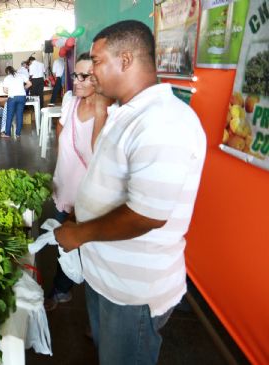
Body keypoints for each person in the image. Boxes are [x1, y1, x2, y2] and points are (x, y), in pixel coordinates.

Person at [53, 20, 206, 364]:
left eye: (96, 61)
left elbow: (146, 215)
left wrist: (78, 233)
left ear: (125, 60)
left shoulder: (164, 122)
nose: (90, 72)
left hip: (132, 293)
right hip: (105, 276)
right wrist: (79, 213)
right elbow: (103, 179)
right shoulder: (124, 112)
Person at [46, 53, 113, 311]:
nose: (77, 80)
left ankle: (96, 313)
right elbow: (61, 131)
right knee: (64, 244)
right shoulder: (70, 102)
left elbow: (101, 158)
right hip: (64, 187)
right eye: (76, 74)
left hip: (89, 197)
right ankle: (62, 290)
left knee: (92, 251)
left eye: (85, 76)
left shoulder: (108, 111)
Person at [1, 66, 31, 139]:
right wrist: (23, 88)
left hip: (12, 97)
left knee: (9, 116)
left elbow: (5, 90)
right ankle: (18, 134)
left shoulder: (7, 78)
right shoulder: (21, 75)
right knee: (19, 115)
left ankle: (7, 134)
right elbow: (29, 84)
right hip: (22, 97)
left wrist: (11, 91)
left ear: (7, 72)